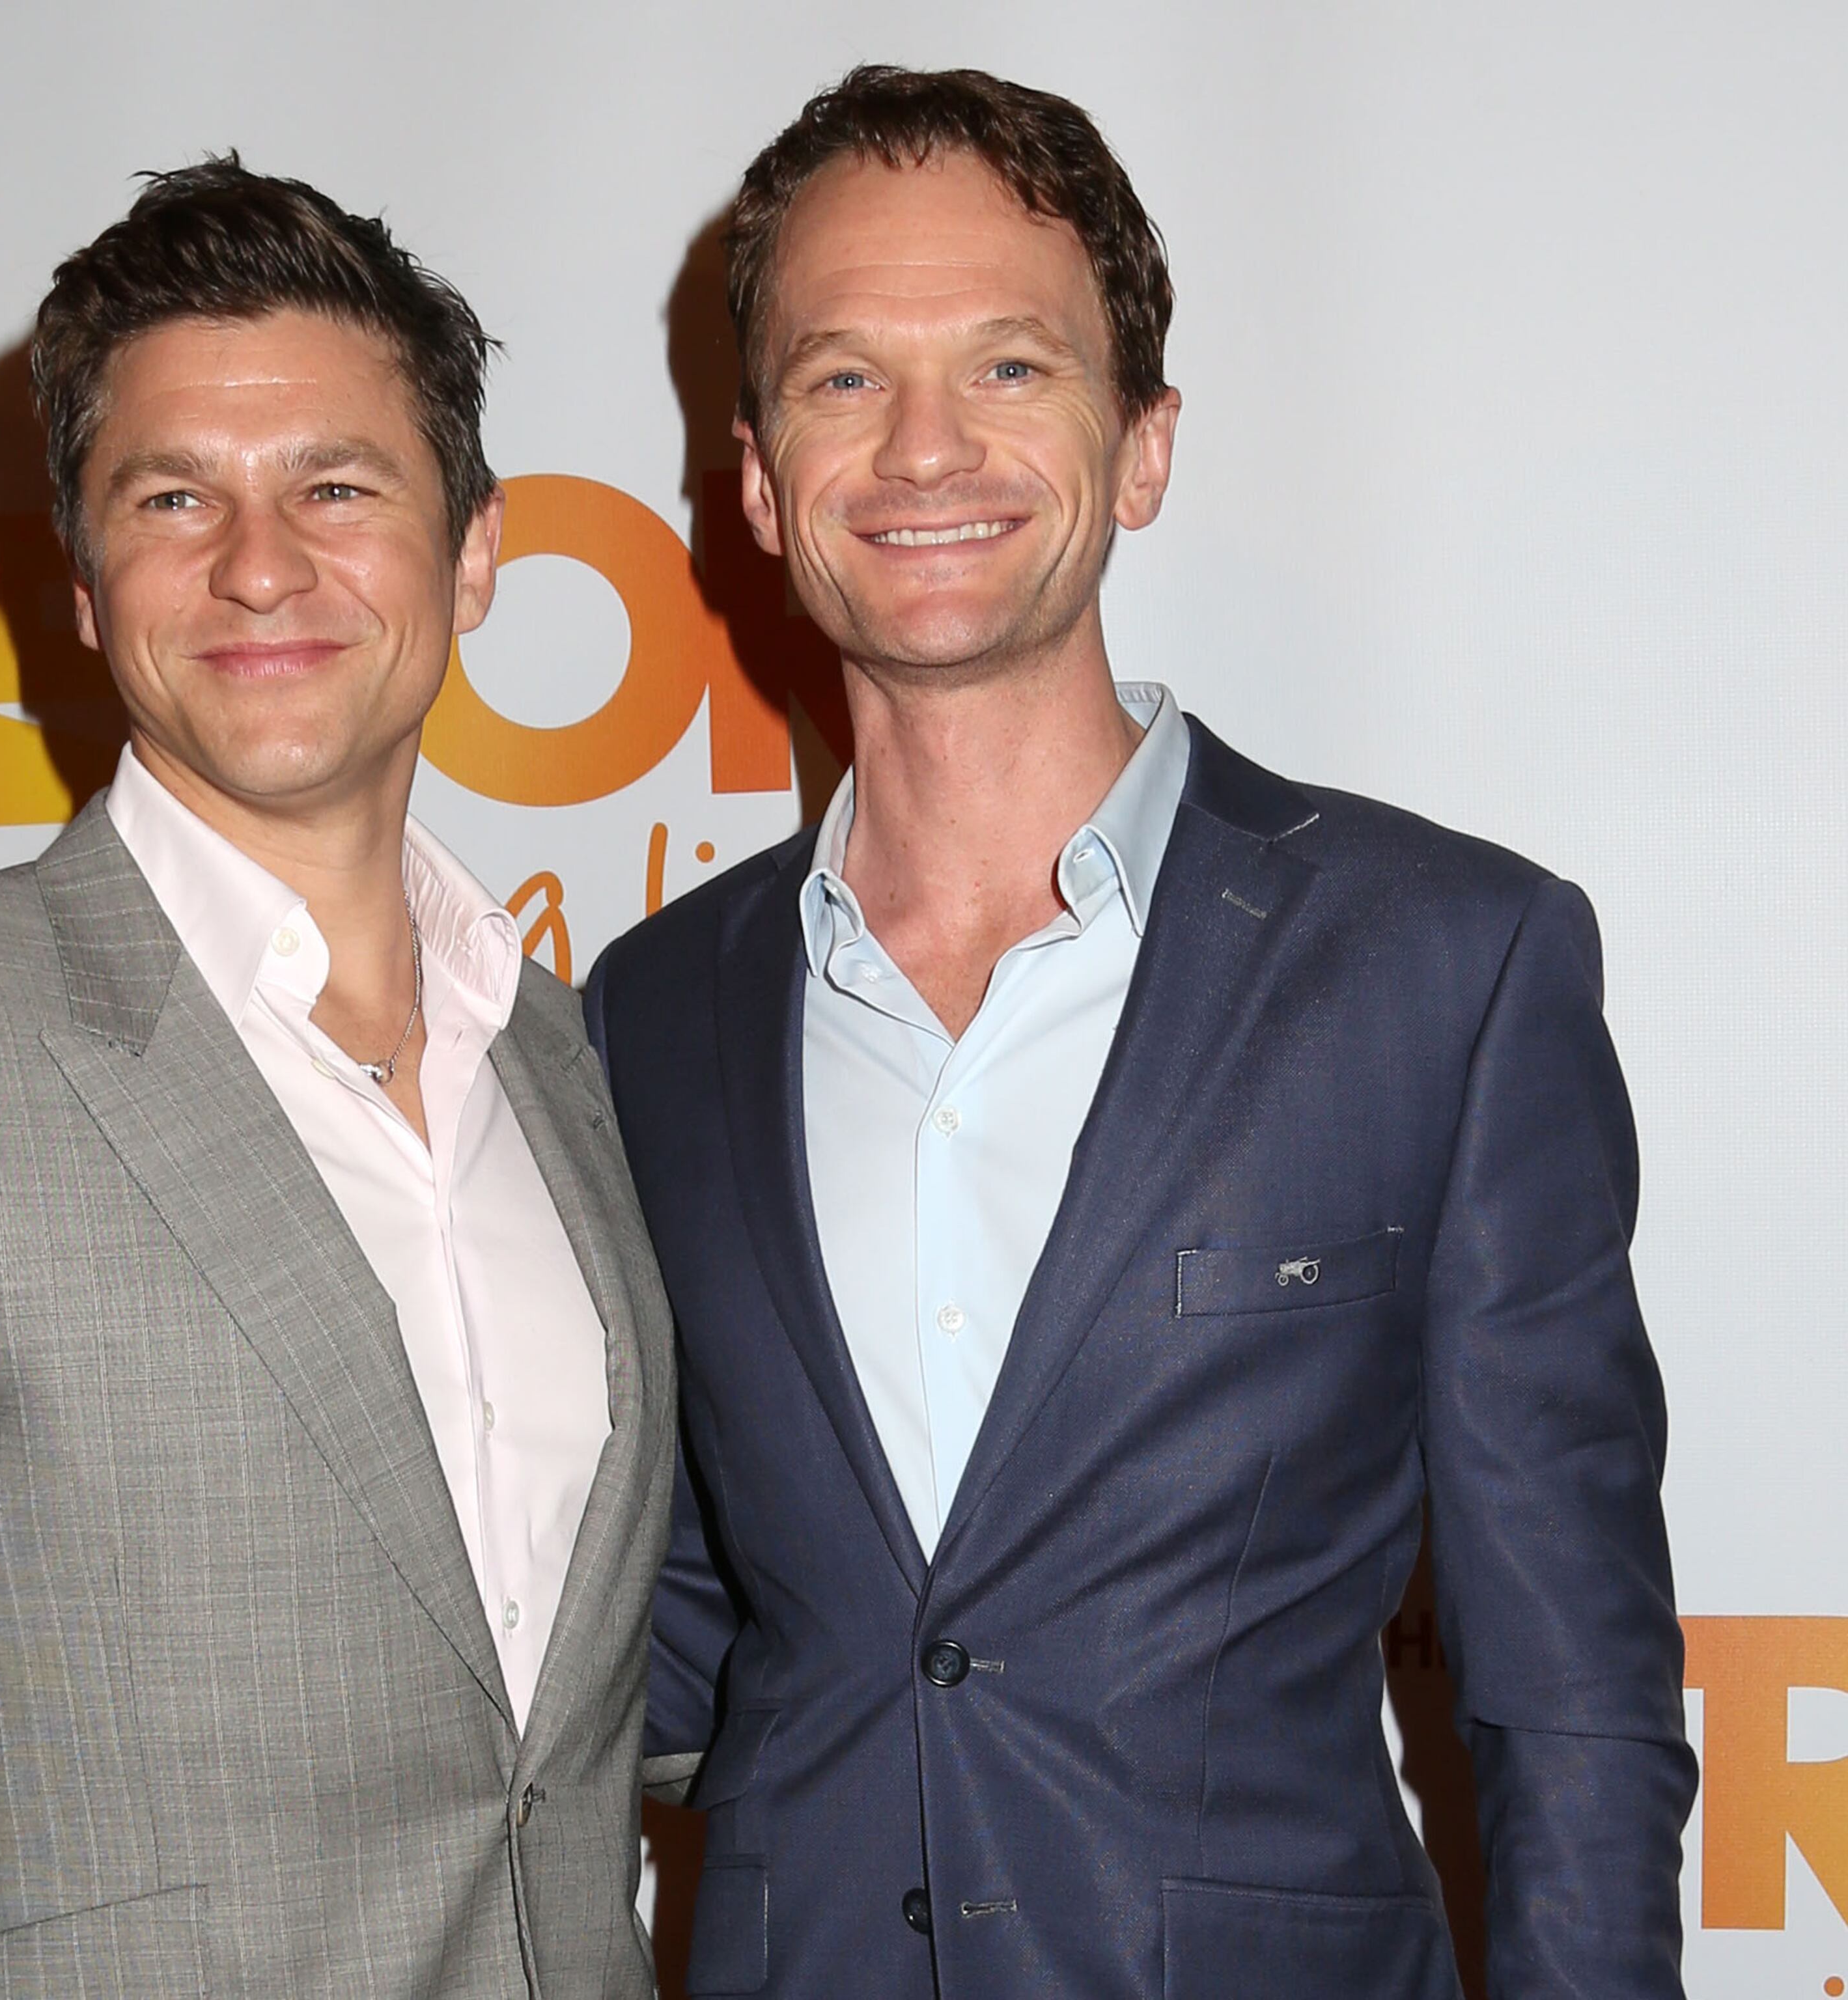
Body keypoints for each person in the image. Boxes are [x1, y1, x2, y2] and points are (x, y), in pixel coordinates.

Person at [586, 66, 1692, 2000]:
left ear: (1147, 441)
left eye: (1011, 368)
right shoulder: (653, 1010)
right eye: (846, 378)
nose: (927, 448)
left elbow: (1572, 1694)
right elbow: (665, 1624)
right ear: (757, 478)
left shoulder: (1448, 963)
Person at [0, 159, 675, 1999]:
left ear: (477, 550)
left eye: (336, 488)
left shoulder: (561, 1054)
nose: (258, 564)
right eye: (174, 496)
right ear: (82, 578)